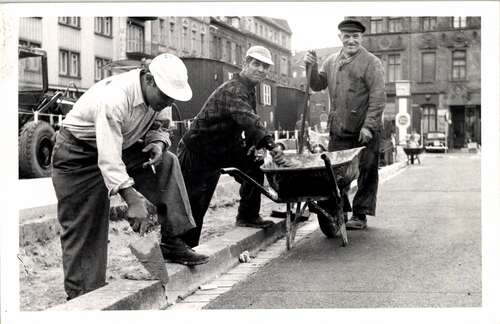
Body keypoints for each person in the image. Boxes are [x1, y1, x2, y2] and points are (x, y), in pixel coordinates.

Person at [51, 53, 209, 300]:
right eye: (165, 96)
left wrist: (158, 141)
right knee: (85, 228)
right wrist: (132, 199)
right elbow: (109, 158)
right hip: (78, 155)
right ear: (148, 80)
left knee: (167, 162)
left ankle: (172, 242)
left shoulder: (159, 98)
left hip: (122, 145)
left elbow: (159, 125)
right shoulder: (114, 98)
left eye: (171, 98)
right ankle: (84, 298)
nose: (168, 102)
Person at [177, 45, 286, 247]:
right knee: (194, 205)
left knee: (254, 164)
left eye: (265, 66)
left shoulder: (248, 90)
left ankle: (247, 215)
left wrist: (255, 145)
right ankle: (182, 249)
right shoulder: (233, 90)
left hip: (222, 148)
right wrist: (272, 145)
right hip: (198, 151)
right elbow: (248, 118)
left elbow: (246, 122)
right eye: (256, 64)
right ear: (245, 63)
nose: (261, 69)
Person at [304, 19, 386, 230]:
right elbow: (316, 84)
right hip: (339, 129)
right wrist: (310, 66)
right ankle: (338, 211)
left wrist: (369, 126)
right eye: (347, 36)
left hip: (364, 130)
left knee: (367, 172)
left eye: (355, 36)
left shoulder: (371, 62)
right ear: (340, 37)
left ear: (361, 38)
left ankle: (360, 214)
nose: (351, 40)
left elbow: (378, 97)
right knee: (335, 172)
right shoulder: (331, 61)